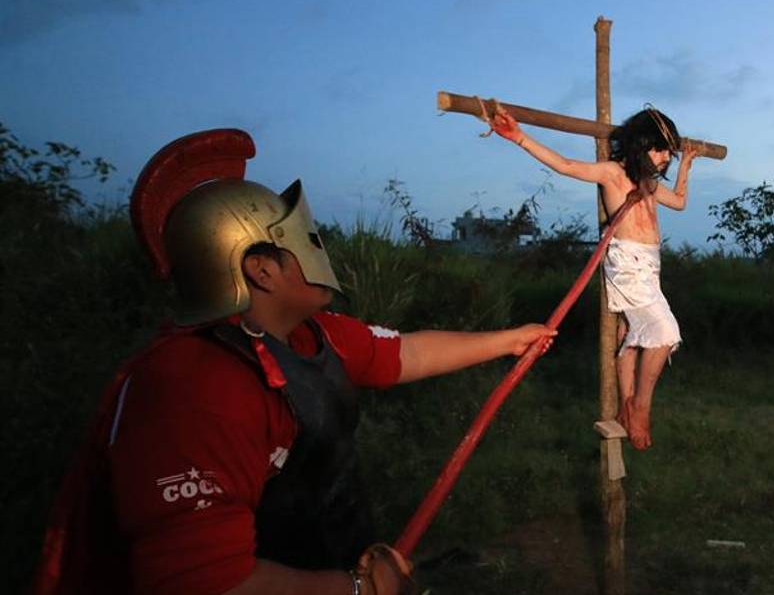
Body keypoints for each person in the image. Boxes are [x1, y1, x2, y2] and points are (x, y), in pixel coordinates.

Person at [32, 129, 555, 595]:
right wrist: (360, 588)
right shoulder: (194, 388)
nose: (319, 248)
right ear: (260, 270)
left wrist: (510, 339)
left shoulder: (313, 334)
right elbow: (203, 582)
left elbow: (406, 353)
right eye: (303, 241)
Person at [488, 106, 697, 450]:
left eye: (668, 154)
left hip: (649, 266)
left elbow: (679, 201)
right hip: (627, 264)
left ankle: (627, 407)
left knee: (630, 335)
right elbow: (566, 166)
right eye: (660, 150)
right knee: (663, 333)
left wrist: (686, 165)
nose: (664, 159)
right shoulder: (614, 173)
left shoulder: (647, 183)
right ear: (640, 144)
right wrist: (520, 137)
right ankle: (641, 407)